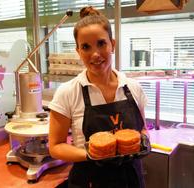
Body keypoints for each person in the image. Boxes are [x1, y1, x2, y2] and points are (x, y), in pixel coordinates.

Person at [48, 6, 149, 188]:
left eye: (101, 44)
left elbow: (142, 131)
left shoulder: (133, 87)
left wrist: (143, 143)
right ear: (78, 51)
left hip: (131, 180)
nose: (95, 54)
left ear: (113, 44)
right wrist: (90, 154)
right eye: (86, 47)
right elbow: (55, 146)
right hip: (89, 180)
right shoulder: (68, 92)